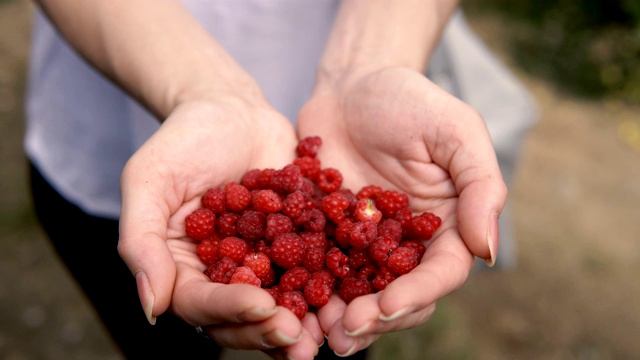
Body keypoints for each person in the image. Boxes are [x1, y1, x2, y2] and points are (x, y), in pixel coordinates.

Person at [24, 0, 536, 359]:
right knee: (160, 340)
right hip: (108, 115)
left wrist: (373, 63)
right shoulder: (257, 219)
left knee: (346, 328)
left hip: (343, 79)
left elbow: (322, 249)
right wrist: (197, 89)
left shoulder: (330, 226)